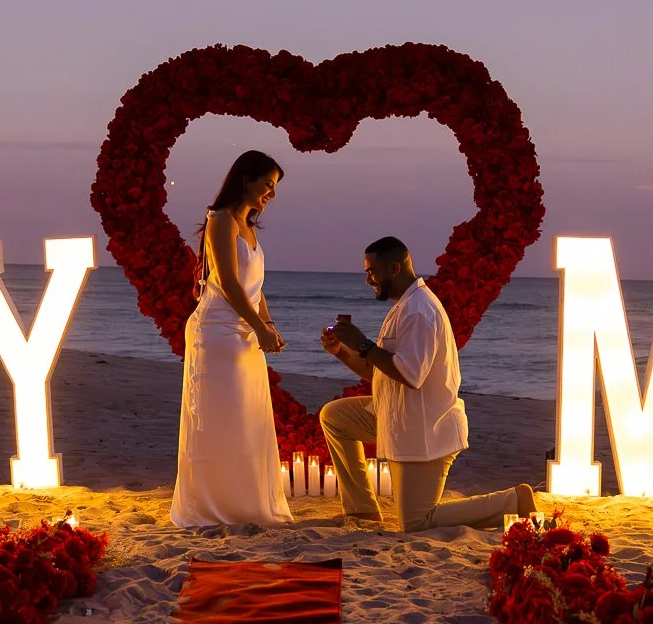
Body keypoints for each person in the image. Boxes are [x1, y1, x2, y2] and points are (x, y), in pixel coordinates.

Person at [318, 237, 536, 531]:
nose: (368, 279)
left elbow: (409, 374)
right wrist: (342, 351)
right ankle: (362, 511)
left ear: (394, 268)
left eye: (372, 271)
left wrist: (363, 343)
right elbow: (380, 371)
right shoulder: (404, 306)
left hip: (425, 429)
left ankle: (514, 501)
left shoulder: (418, 311)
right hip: (395, 417)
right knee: (335, 417)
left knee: (418, 522)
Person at [171, 150, 293, 528]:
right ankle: (212, 506)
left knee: (246, 417)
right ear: (246, 180)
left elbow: (255, 287)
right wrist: (258, 326)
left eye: (275, 188)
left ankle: (246, 503)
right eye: (267, 185)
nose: (271, 194)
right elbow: (226, 281)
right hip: (218, 332)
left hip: (244, 332)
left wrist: (268, 324)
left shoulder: (251, 229)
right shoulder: (220, 221)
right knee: (220, 418)